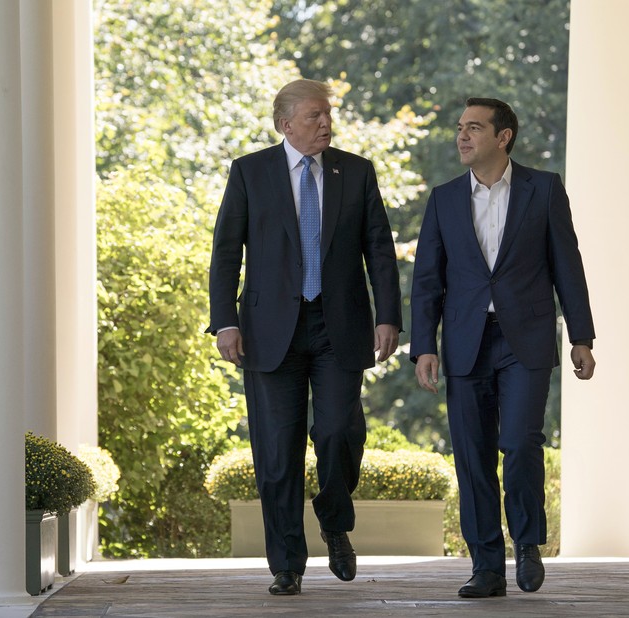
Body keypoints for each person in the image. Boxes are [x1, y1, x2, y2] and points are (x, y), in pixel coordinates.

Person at [208, 79, 402, 596]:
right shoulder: (250, 172)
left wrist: (389, 317)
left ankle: (334, 519)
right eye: (314, 116)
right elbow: (227, 252)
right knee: (276, 453)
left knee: (340, 431)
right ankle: (287, 564)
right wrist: (224, 320)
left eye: (328, 115)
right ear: (285, 123)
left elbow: (379, 249)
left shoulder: (356, 171)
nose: (325, 124)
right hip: (268, 331)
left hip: (338, 326)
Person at [410, 98, 596, 598]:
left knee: (519, 445)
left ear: (503, 136)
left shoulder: (544, 189)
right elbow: (427, 279)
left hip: (526, 340)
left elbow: (567, 266)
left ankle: (528, 544)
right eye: (460, 128)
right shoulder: (444, 198)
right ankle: (486, 567)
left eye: (474, 128)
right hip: (466, 342)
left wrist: (581, 336)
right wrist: (423, 345)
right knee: (472, 456)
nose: (462, 137)